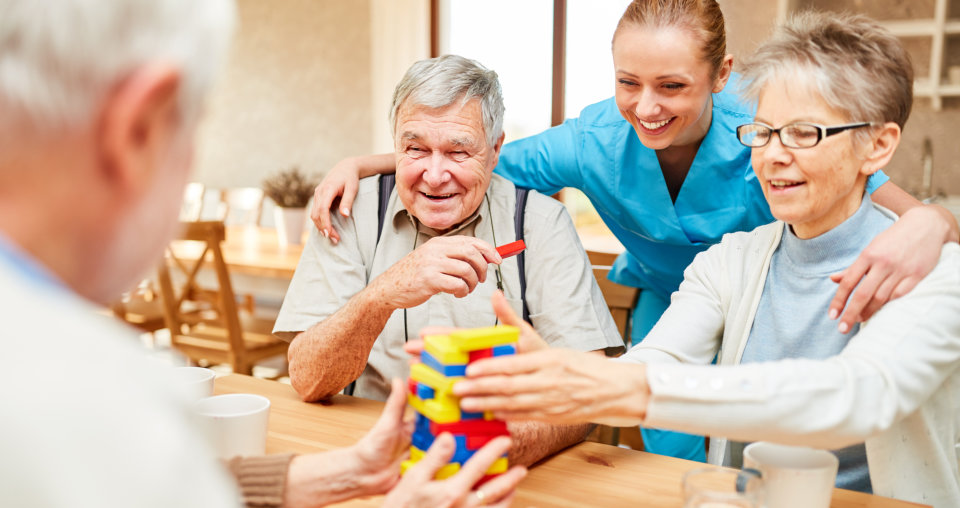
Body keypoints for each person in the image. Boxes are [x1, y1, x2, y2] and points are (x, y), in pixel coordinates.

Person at [306, 0, 959, 462]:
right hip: (683, 298)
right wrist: (368, 162)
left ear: (721, 78)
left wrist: (932, 219)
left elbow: (856, 392)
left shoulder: (776, 143)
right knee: (676, 444)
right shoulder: (700, 236)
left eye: (803, 133)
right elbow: (473, 155)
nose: (647, 107)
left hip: (767, 328)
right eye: (628, 83)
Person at [0, 1, 525, 506]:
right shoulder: (100, 406)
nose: (435, 171)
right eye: (194, 123)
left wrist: (347, 471)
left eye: (458, 151)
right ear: (136, 129)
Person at [272, 54, 624, 467]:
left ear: (495, 151)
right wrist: (382, 294)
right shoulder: (349, 210)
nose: (435, 175)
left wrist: (482, 448)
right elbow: (309, 379)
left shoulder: (541, 223)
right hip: (365, 456)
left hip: (497, 462)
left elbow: (585, 396)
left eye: (458, 152)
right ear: (395, 146)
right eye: (416, 148)